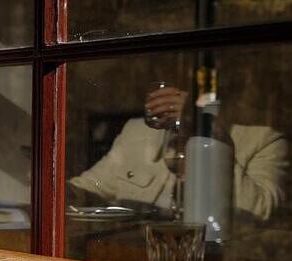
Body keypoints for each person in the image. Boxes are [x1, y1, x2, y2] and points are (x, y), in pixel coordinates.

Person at [69, 84, 288, 221]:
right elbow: (90, 188)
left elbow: (261, 215)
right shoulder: (138, 131)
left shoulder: (264, 140)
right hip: (134, 256)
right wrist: (56, 190)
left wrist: (208, 131)